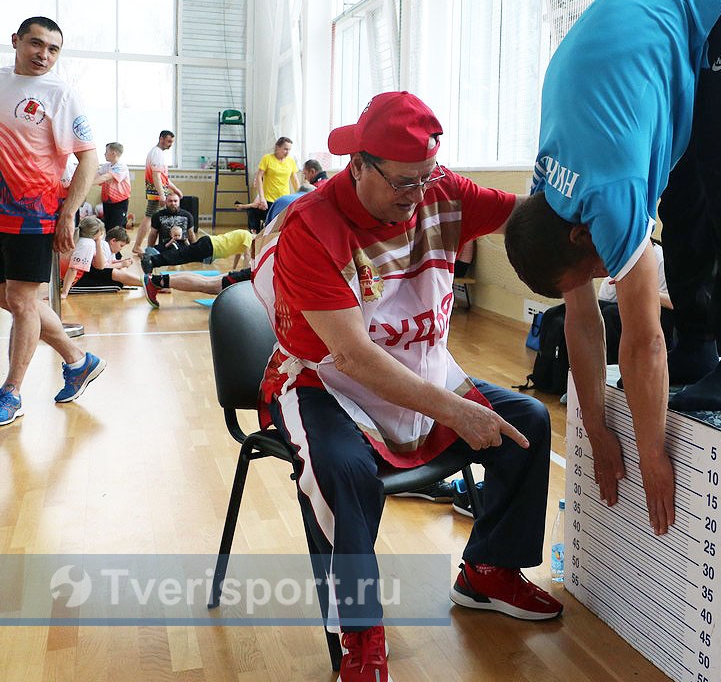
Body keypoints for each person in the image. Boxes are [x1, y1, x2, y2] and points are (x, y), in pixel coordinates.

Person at [252, 91, 561, 681]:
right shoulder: (311, 227)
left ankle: (489, 570)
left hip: (417, 371)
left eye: (426, 178)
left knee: (527, 421)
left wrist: (584, 207)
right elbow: (353, 355)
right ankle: (359, 634)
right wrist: (456, 410)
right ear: (359, 164)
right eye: (402, 183)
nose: (417, 194)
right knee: (343, 474)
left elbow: (524, 214)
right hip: (325, 380)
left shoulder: (437, 187)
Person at [504, 0, 721, 535]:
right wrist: (598, 429)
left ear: (580, 234)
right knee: (682, 200)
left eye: (593, 268)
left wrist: (653, 457)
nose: (601, 277)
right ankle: (701, 345)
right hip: (658, 34)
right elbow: (582, 324)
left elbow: (643, 342)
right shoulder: (547, 198)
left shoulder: (609, 191)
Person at [0, 16, 106, 425]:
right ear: (16, 42)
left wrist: (68, 214)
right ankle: (78, 360)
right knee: (9, 298)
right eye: (36, 44)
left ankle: (11, 392)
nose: (43, 55)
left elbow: (89, 157)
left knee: (25, 301)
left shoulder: (60, 94)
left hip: (35, 213)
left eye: (53, 49)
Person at [141, 228, 254, 307]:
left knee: (184, 258)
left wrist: (235, 269)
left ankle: (156, 275)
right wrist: (245, 271)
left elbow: (239, 254)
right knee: (182, 256)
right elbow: (247, 255)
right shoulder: (249, 237)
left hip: (210, 246)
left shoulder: (246, 237)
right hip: (210, 246)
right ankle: (153, 264)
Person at [61, 218, 141, 296]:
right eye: (102, 233)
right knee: (117, 282)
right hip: (73, 283)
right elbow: (73, 269)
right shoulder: (87, 244)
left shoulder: (89, 242)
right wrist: (65, 292)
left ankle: (146, 282)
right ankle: (147, 282)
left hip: (75, 278)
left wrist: (98, 242)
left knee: (117, 275)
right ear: (96, 234)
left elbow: (100, 266)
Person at [133, 130, 181, 254]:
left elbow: (163, 177)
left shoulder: (159, 153)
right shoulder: (157, 153)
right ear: (161, 139)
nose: (171, 144)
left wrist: (175, 190)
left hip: (158, 190)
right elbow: (156, 176)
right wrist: (162, 195)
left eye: (172, 142)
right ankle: (138, 245)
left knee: (152, 217)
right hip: (155, 191)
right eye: (169, 141)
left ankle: (152, 245)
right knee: (149, 216)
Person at [247, 137, 299, 232]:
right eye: (285, 149)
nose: (287, 152)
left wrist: (300, 195)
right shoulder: (267, 158)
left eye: (289, 150)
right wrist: (261, 197)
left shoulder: (290, 161)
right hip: (268, 199)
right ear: (277, 147)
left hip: (283, 200)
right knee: (253, 211)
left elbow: (294, 180)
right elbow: (259, 177)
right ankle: (255, 236)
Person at [94, 141, 131, 233]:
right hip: (107, 202)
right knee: (108, 228)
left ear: (113, 153)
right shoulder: (106, 166)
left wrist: (87, 184)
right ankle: (108, 247)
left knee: (116, 229)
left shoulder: (121, 166)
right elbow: (96, 174)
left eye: (106, 151)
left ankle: (116, 246)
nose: (104, 154)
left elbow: (105, 177)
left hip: (119, 203)